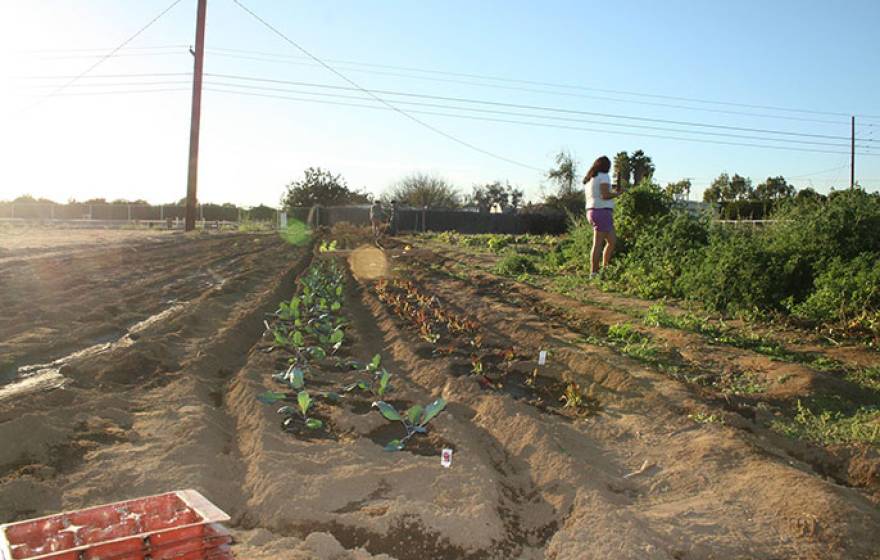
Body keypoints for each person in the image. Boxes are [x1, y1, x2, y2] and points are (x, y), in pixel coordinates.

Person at [582, 155, 625, 278]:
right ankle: (594, 272)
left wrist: (613, 192)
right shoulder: (604, 176)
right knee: (598, 244)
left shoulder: (590, 179)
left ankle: (604, 268)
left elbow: (600, 193)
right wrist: (617, 194)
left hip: (592, 211)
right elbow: (605, 195)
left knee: (611, 241)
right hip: (602, 211)